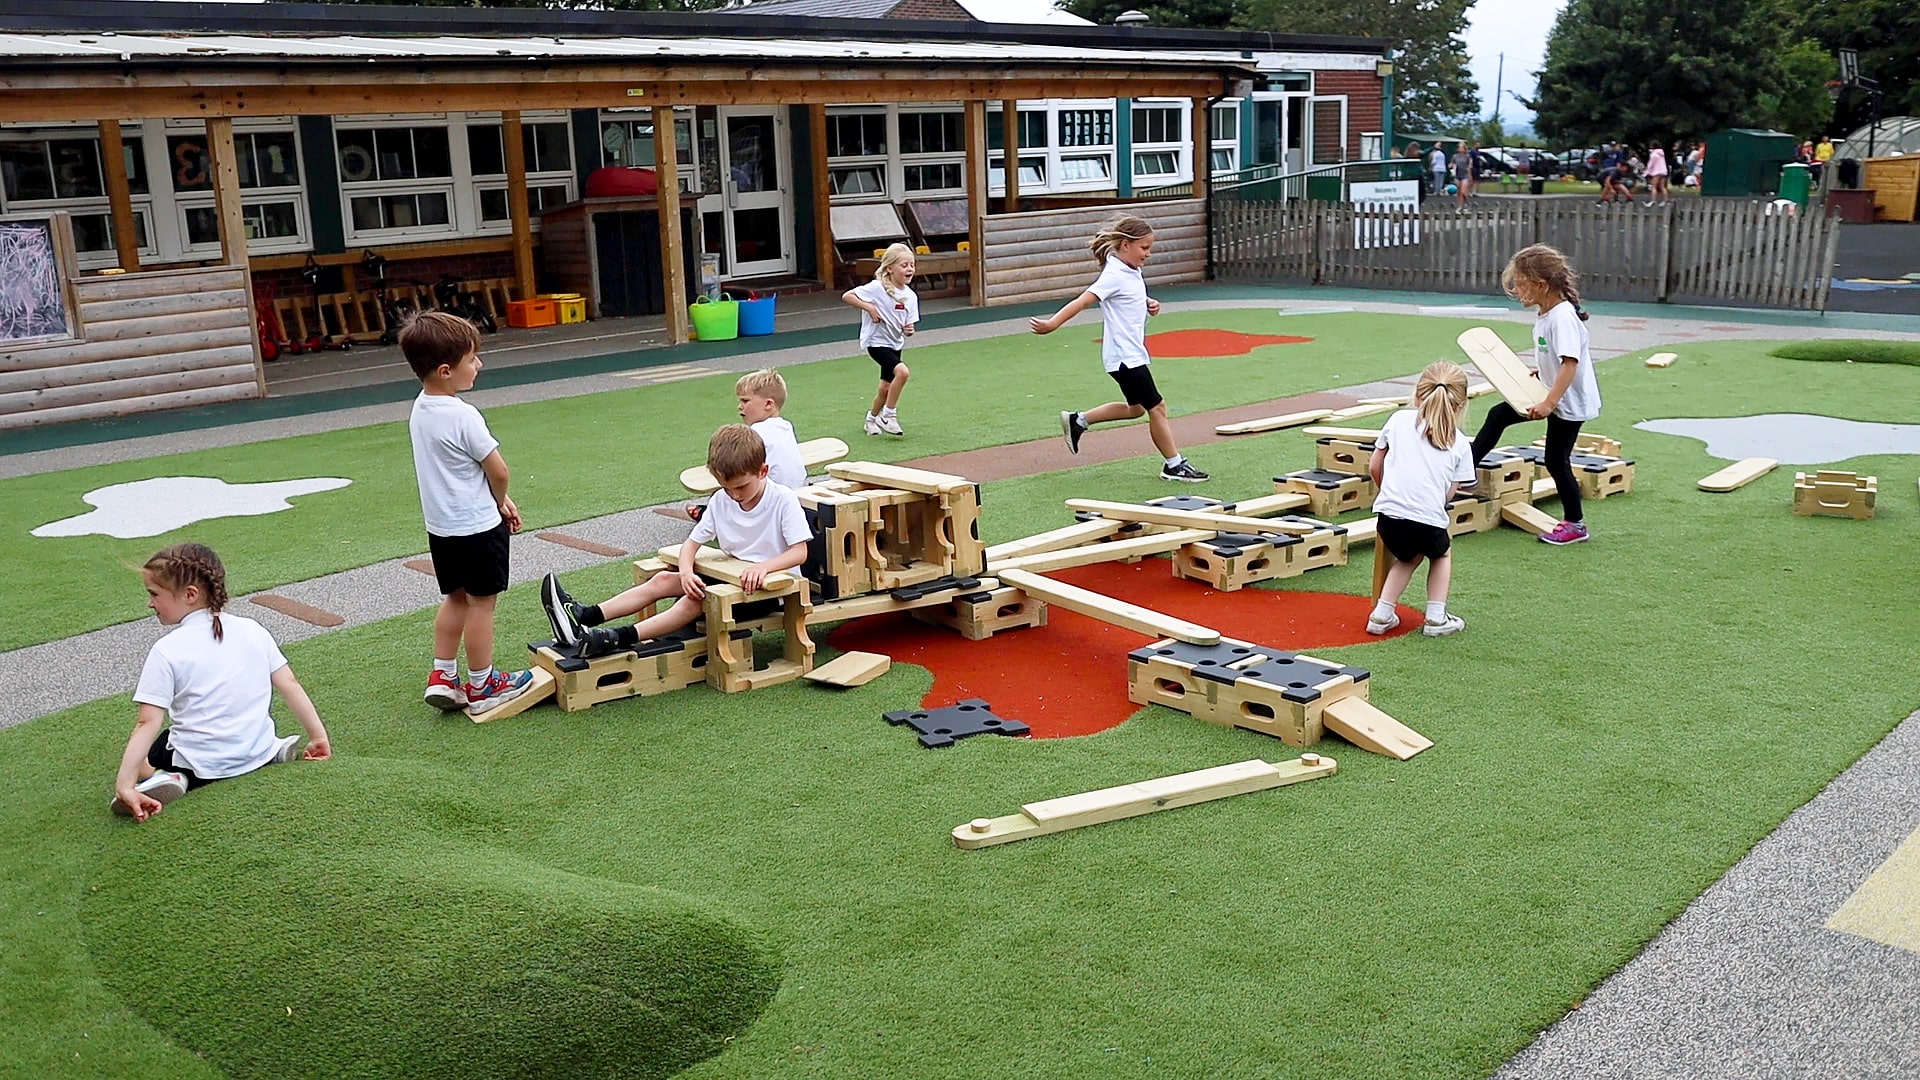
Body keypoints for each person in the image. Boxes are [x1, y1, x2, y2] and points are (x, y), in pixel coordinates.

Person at [541, 425, 812, 658]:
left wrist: (763, 568)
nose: (734, 495)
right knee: (661, 580)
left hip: (770, 589)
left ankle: (615, 638)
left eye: (741, 487)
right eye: (726, 487)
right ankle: (584, 616)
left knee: (692, 602)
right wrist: (685, 573)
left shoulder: (782, 499)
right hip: (732, 579)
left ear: (763, 471)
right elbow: (691, 545)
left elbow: (799, 553)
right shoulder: (720, 500)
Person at [113, 543, 331, 821]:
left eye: (154, 594)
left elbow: (148, 721)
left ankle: (172, 777)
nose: (150, 603)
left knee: (158, 747)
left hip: (202, 765)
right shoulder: (253, 629)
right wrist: (318, 737)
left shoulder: (167, 650)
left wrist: (125, 785)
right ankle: (271, 751)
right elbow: (290, 683)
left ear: (189, 594)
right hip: (255, 749)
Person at [403, 311, 535, 712]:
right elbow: (498, 469)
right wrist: (500, 501)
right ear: (446, 370)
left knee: (455, 598)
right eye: (472, 359)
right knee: (483, 603)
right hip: (478, 526)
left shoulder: (421, 410)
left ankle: (443, 673)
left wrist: (496, 498)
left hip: (442, 528)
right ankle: (483, 683)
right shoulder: (463, 415)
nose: (479, 365)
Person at [1032, 215, 1207, 483]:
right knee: (1157, 407)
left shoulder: (1130, 269)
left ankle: (1079, 420)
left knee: (1137, 408)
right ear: (1126, 244)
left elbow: (1129, 296)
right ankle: (1174, 465)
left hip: (1131, 354)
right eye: (1144, 248)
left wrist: (1149, 303)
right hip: (1125, 358)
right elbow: (1082, 301)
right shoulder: (1113, 274)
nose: (1148, 253)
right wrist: (1053, 323)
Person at [1467, 244, 1602, 546]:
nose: (1516, 290)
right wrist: (1541, 373)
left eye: (1521, 283)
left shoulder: (1562, 317)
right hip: (1550, 392)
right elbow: (1557, 359)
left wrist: (1548, 402)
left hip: (1566, 402)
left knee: (1556, 460)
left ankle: (1576, 524)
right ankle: (1466, 471)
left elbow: (1570, 363)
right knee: (1498, 414)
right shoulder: (1547, 313)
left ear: (1541, 285)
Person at [1365, 362, 1476, 638]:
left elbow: (1374, 466)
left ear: (1417, 395)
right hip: (1427, 519)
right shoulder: (1460, 443)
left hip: (1388, 517)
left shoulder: (1398, 420)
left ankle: (1381, 613)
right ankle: (1436, 617)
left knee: (1408, 556)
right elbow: (1451, 492)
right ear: (1460, 405)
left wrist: (1388, 490)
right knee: (1441, 554)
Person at [843, 243, 918, 437]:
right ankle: (888, 416)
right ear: (890, 268)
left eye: (912, 265)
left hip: (895, 344)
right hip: (876, 343)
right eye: (904, 265)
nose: (909, 269)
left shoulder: (910, 296)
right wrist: (870, 308)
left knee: (885, 389)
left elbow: (908, 325)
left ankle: (871, 419)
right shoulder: (877, 288)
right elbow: (848, 296)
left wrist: (908, 329)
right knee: (903, 372)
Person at [1452, 142, 1476, 210]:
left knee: (1463, 192)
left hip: (1465, 175)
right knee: (1459, 192)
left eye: (1461, 147)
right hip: (1457, 175)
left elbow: (1469, 166)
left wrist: (1470, 176)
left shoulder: (1467, 156)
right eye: (1459, 147)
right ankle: (1460, 206)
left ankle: (1467, 203)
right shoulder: (1455, 156)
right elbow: (1452, 163)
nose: (1460, 148)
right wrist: (1451, 166)